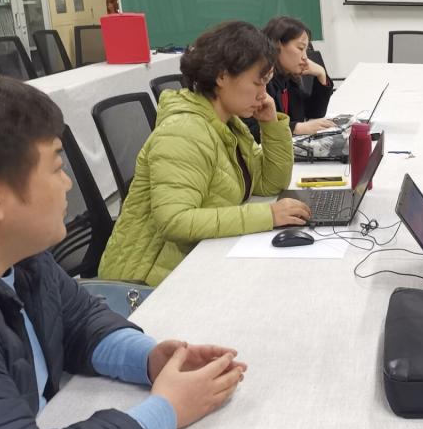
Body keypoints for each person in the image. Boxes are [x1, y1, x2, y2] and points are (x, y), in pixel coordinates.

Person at [0, 74, 247, 429]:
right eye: (56, 168)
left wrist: (150, 359)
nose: (68, 183)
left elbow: (80, 322)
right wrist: (166, 410)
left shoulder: (22, 257)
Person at [99, 21, 309, 286]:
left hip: (195, 261)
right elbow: (175, 220)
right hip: (146, 284)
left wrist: (271, 125)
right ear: (222, 76)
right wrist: (268, 215)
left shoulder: (228, 124)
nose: (263, 94)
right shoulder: (184, 131)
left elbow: (269, 184)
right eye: (258, 82)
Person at [245, 16, 335, 143]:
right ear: (277, 45)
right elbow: (249, 130)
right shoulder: (259, 81)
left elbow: (314, 113)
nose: (305, 57)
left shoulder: (289, 79)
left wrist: (321, 74)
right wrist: (296, 128)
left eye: (306, 50)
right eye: (300, 48)